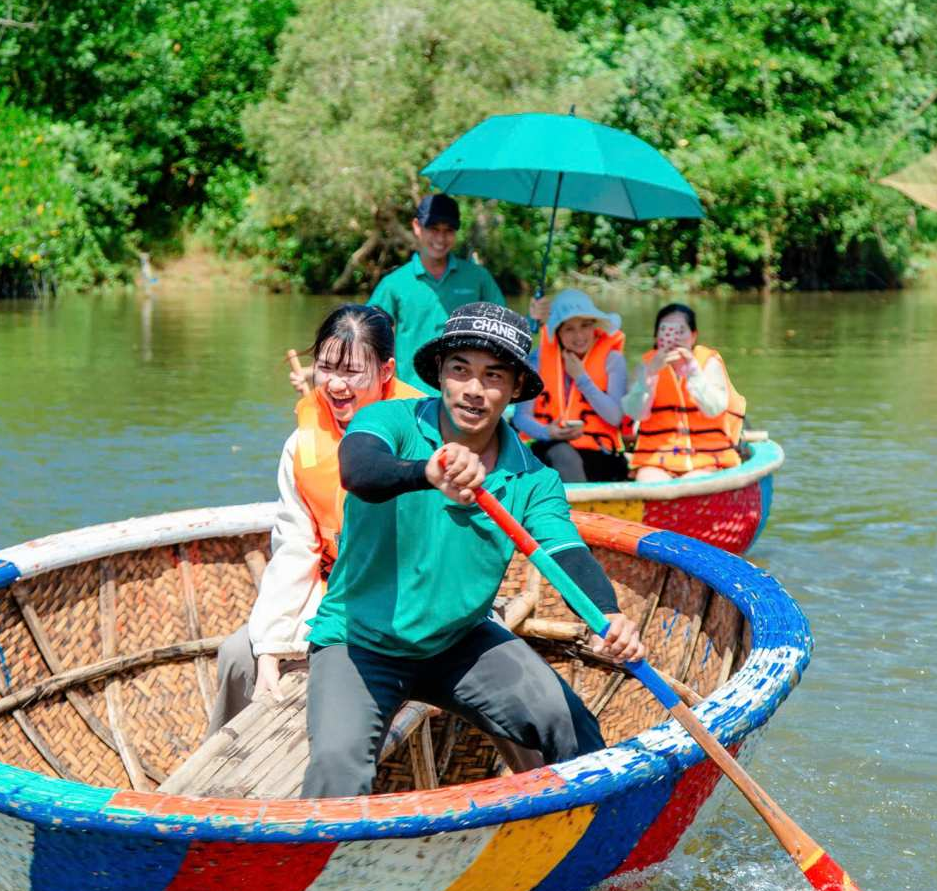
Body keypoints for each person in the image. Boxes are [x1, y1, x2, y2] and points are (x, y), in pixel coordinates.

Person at [300, 302, 646, 799]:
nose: (473, 391)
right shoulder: (388, 420)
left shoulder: (534, 477)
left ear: (515, 390)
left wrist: (610, 617)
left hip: (458, 641)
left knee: (569, 725)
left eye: (493, 376)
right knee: (336, 767)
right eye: (460, 370)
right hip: (358, 640)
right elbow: (361, 471)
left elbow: (565, 554)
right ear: (440, 373)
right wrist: (426, 473)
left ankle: (580, 847)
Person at [209, 305, 423, 734]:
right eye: (325, 368)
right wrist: (270, 644)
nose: (336, 385)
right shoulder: (301, 446)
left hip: (410, 598)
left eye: (351, 372)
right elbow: (293, 550)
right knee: (238, 653)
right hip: (331, 590)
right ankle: (213, 771)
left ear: (386, 372)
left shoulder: (424, 430)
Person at [367, 194, 512, 391]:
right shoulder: (393, 284)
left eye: (448, 230)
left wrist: (534, 319)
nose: (441, 238)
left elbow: (505, 331)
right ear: (417, 227)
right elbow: (366, 337)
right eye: (433, 229)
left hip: (468, 393)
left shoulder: (478, 278)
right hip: (412, 396)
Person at [515, 288, 629, 482]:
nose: (579, 336)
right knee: (563, 453)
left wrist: (581, 378)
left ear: (595, 326)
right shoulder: (538, 360)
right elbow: (520, 417)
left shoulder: (613, 360)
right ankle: (576, 510)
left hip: (599, 451)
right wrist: (547, 432)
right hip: (551, 448)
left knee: (613, 466)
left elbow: (615, 417)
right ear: (558, 332)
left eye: (585, 326)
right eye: (569, 328)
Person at [623, 303, 747, 481]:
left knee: (695, 481)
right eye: (666, 331)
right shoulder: (646, 366)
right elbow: (635, 413)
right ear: (657, 336)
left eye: (680, 331)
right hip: (657, 460)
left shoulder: (708, 363)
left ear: (693, 335)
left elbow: (715, 408)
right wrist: (650, 377)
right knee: (650, 481)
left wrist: (693, 372)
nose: (674, 338)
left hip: (707, 459)